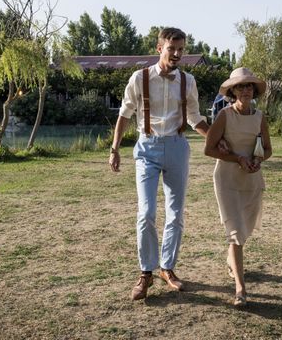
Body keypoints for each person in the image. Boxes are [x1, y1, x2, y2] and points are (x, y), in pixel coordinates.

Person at [109, 27, 216, 301]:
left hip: (178, 147)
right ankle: (146, 272)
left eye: (181, 49)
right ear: (160, 49)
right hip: (147, 147)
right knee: (146, 213)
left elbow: (194, 117)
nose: (178, 54)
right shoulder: (139, 78)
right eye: (172, 49)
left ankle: (167, 268)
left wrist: (217, 141)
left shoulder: (188, 81)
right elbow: (124, 114)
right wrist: (115, 148)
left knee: (176, 213)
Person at [204, 67, 272, 307]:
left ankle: (231, 262)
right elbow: (209, 149)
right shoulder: (224, 115)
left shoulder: (260, 116)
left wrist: (257, 160)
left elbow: (268, 149)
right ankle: (240, 290)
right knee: (235, 234)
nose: (245, 90)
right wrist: (237, 158)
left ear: (254, 91)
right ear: (233, 91)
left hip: (252, 180)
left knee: (245, 231)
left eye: (249, 86)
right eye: (240, 86)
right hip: (227, 180)